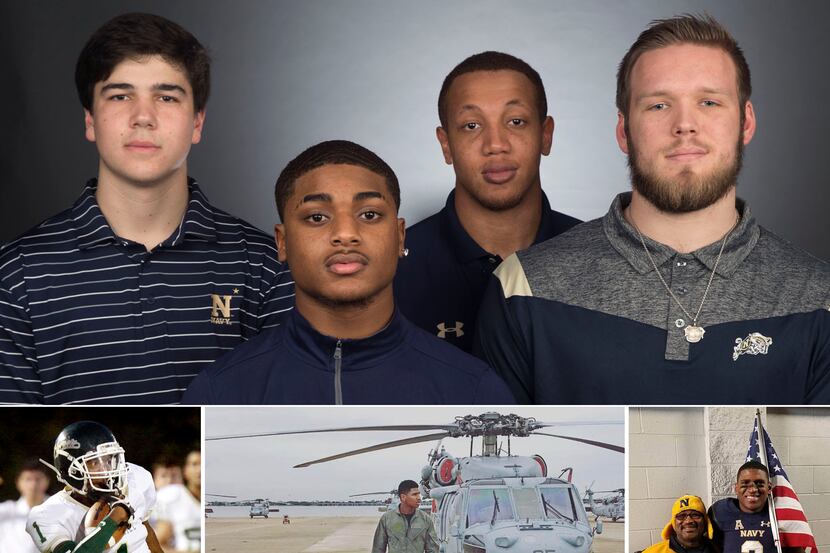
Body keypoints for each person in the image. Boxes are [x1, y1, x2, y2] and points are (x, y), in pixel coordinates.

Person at [475, 14, 830, 404]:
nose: (684, 125)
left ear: (745, 122)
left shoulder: (818, 298)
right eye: (659, 105)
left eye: (709, 102)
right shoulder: (522, 288)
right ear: (623, 131)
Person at [0, 12, 294, 405]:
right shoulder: (16, 277)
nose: (143, 117)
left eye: (166, 97)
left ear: (197, 122)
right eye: (120, 95)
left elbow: (277, 431)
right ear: (90, 119)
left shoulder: (265, 267)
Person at [182, 140, 514, 404]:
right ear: (282, 243)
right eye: (317, 217)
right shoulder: (219, 392)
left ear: (400, 236)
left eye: (369, 215)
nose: (345, 233)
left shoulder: (474, 390)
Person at [394, 51, 579, 353]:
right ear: (446, 144)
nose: (495, 145)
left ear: (546, 135)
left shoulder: (600, 257)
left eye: (516, 121)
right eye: (471, 126)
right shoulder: (391, 271)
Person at [26, 420, 162, 552]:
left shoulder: (135, 477)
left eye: (109, 460)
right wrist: (113, 520)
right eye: (94, 463)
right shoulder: (45, 515)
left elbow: (145, 530)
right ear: (71, 470)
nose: (107, 470)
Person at [708, 461, 804, 553]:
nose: (753, 489)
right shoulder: (720, 511)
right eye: (745, 484)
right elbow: (710, 546)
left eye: (760, 484)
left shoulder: (782, 513)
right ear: (736, 488)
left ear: (769, 488)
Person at [372, 480, 438, 553]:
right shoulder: (387, 518)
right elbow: (378, 549)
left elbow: (433, 549)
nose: (419, 498)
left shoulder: (425, 519)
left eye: (418, 494)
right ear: (403, 497)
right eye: (414, 494)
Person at [154, 450, 201, 552]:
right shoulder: (170, 497)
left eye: (174, 476)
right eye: (194, 464)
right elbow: (158, 545)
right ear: (186, 470)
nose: (199, 469)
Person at [0, 460, 51, 553]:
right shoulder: (5, 511)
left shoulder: (60, 509)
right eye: (28, 479)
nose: (33, 485)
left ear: (47, 481)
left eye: (38, 479)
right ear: (18, 483)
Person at [643, 495, 714, 553]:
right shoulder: (654, 551)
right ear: (673, 523)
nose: (688, 521)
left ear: (705, 521)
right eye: (681, 516)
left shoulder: (719, 549)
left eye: (695, 515)